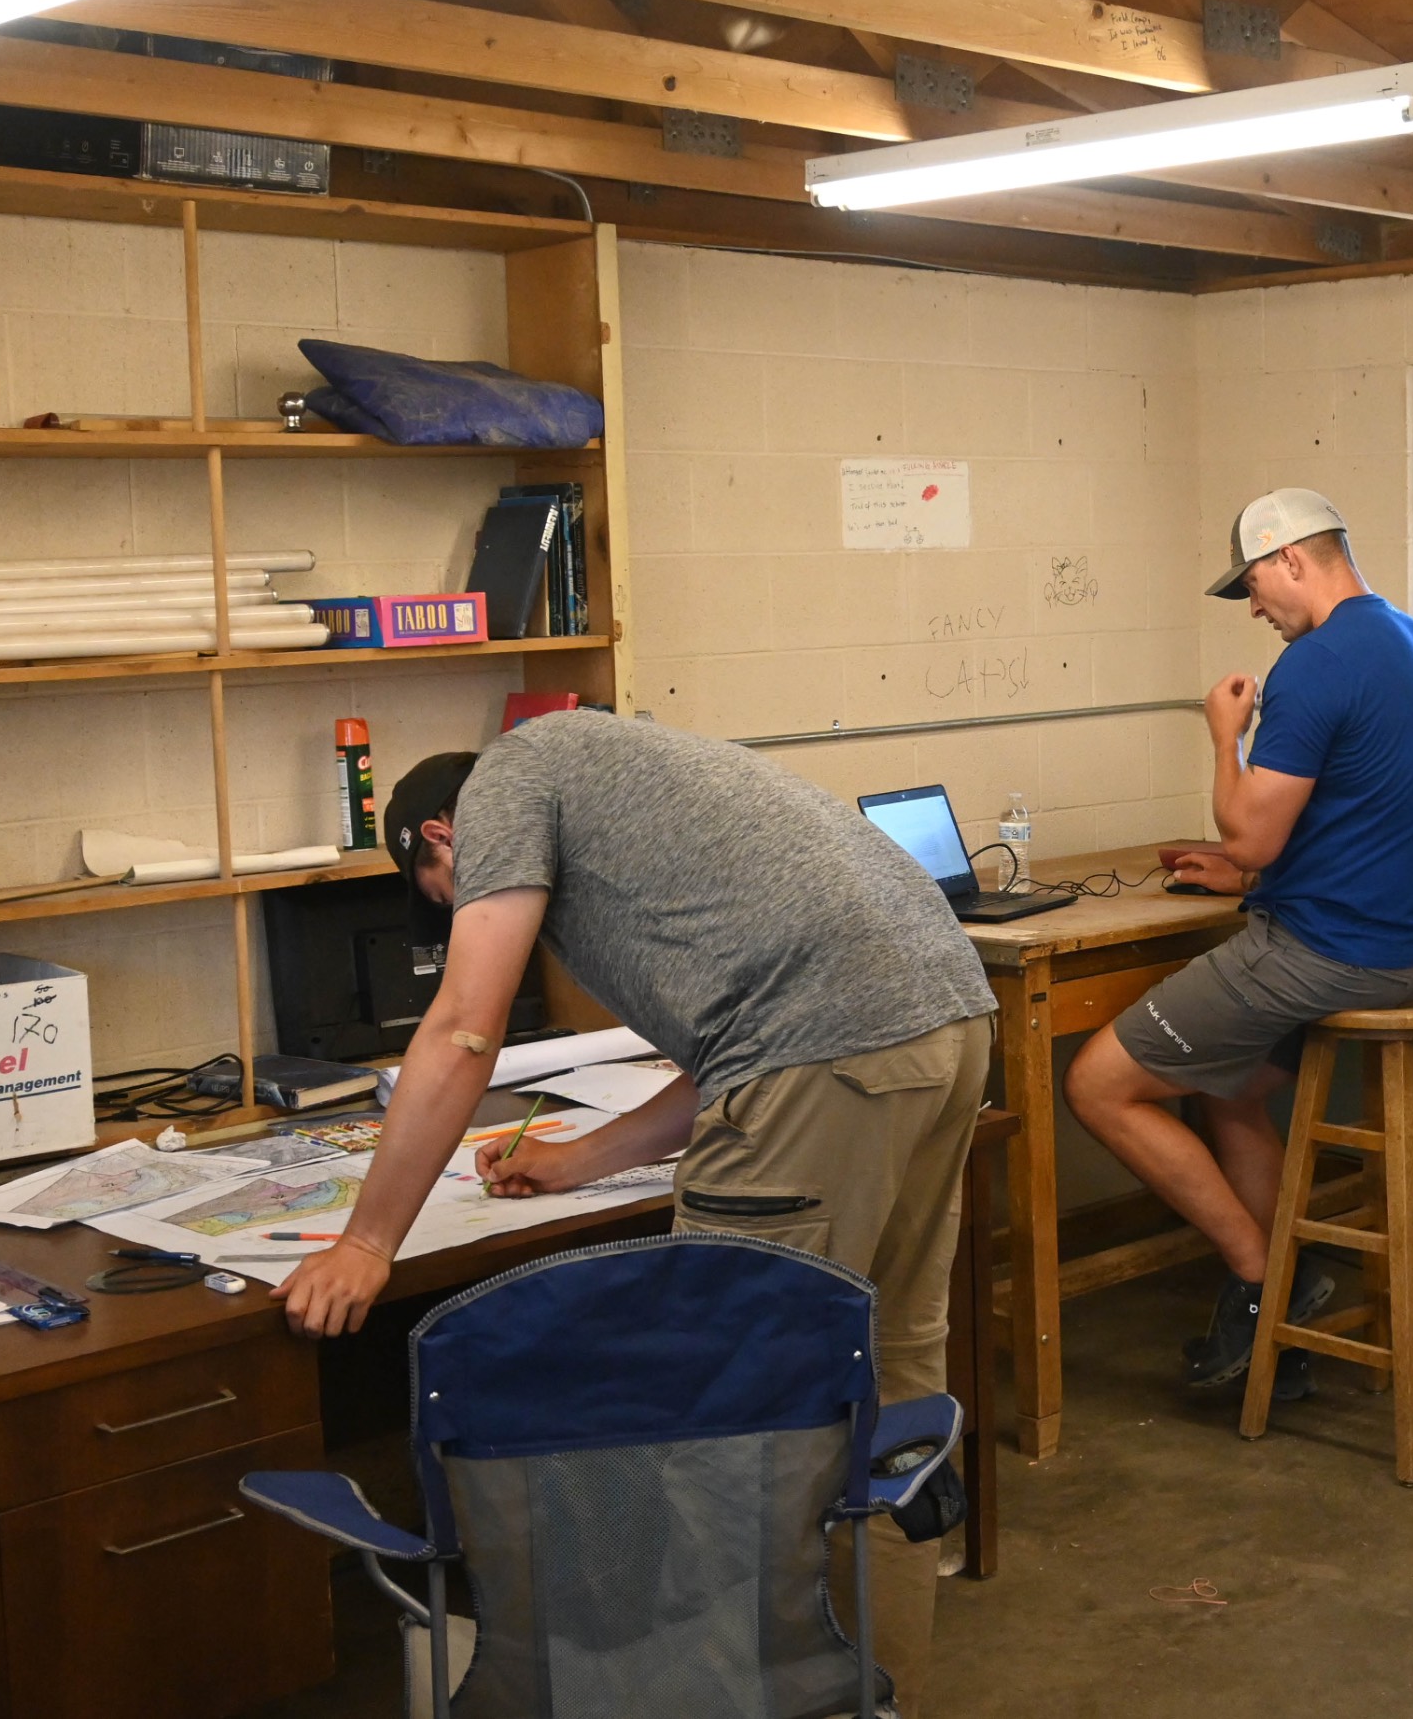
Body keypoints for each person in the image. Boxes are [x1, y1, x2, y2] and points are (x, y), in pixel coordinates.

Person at [274, 711, 997, 1713]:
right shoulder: (615, 766)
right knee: (888, 1414)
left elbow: (465, 1026)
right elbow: (744, 1048)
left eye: (449, 900)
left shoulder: (506, 784)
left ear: (441, 836)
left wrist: (366, 1241)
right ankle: (880, 1697)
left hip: (826, 1051)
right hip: (946, 1022)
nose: (472, 917)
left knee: (726, 1445)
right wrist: (581, 1158)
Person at [1064, 487, 1413, 1395]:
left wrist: (1224, 738)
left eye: (1253, 583)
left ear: (1292, 558)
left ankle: (1263, 1285)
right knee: (1230, 1090)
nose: (1254, 607)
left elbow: (1250, 829)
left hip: (1327, 953)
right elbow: (1374, 820)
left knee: (1096, 1083)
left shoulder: (1319, 664)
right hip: (1411, 947)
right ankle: (1280, 1283)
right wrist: (1250, 879)